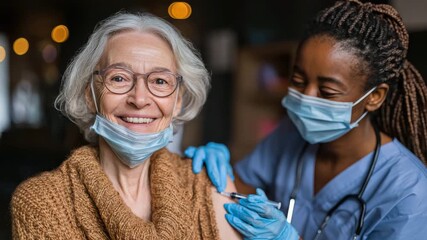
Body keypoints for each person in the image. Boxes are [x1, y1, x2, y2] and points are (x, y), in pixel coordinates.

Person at [185, 0, 427, 239]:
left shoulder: (409, 192)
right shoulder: (291, 134)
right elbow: (237, 187)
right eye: (298, 81)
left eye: (327, 91)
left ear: (374, 96)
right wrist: (216, 173)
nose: (305, 98)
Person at [10, 12, 247, 239]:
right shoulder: (42, 200)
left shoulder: (208, 185)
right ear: (90, 95)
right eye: (119, 78)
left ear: (178, 101)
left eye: (160, 81)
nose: (140, 99)